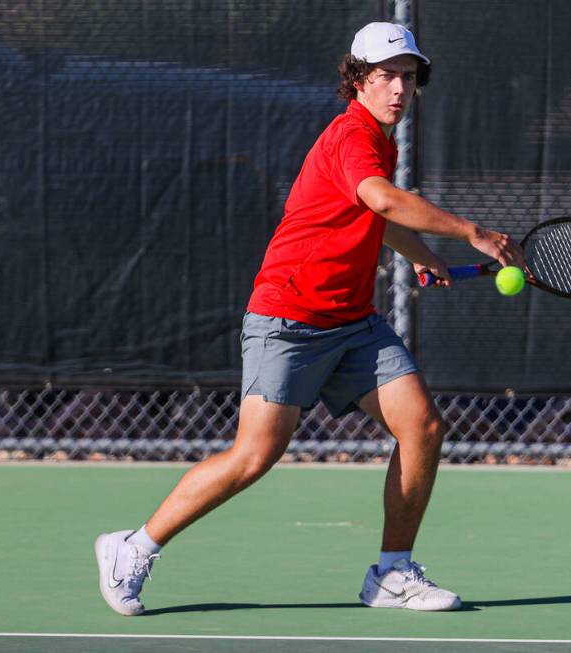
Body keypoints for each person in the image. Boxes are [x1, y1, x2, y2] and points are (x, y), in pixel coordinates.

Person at [95, 21, 526, 616]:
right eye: (385, 76)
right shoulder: (354, 134)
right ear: (358, 80)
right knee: (253, 455)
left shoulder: (381, 139)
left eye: (407, 76)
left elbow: (377, 217)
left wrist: (425, 257)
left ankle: (392, 573)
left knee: (422, 426)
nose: (399, 89)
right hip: (289, 317)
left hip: (351, 322)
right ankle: (132, 547)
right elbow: (380, 198)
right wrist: (472, 233)